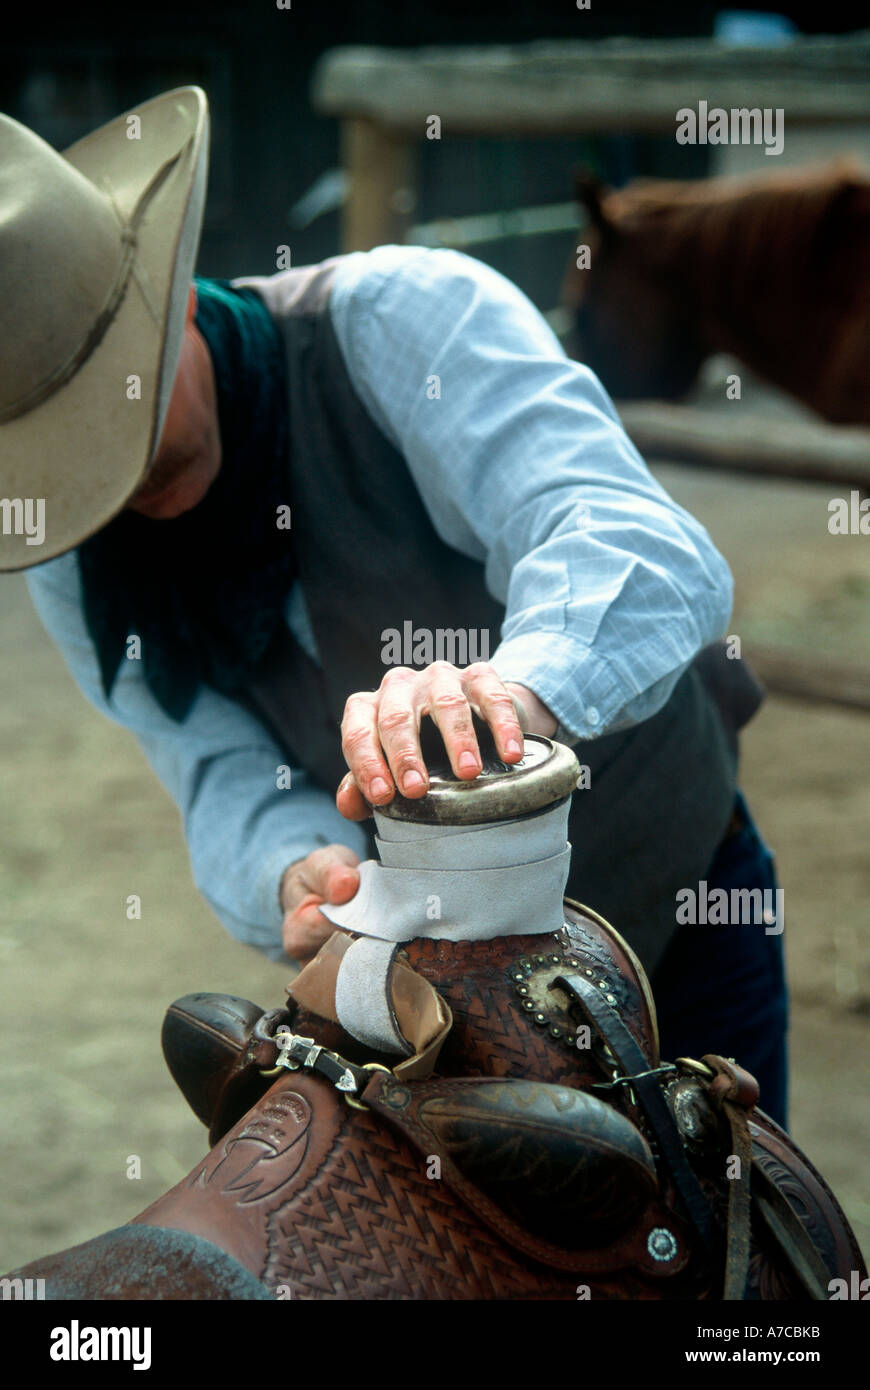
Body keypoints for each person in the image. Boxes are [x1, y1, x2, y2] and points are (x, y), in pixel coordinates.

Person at [1, 87, 788, 1125]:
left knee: (733, 1261)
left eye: (113, 409)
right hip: (432, 1009)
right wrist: (295, 865)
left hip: (675, 911)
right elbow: (214, 766)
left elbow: (634, 541)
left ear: (174, 297)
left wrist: (505, 693)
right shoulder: (65, 541)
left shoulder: (402, 319)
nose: (113, 477)